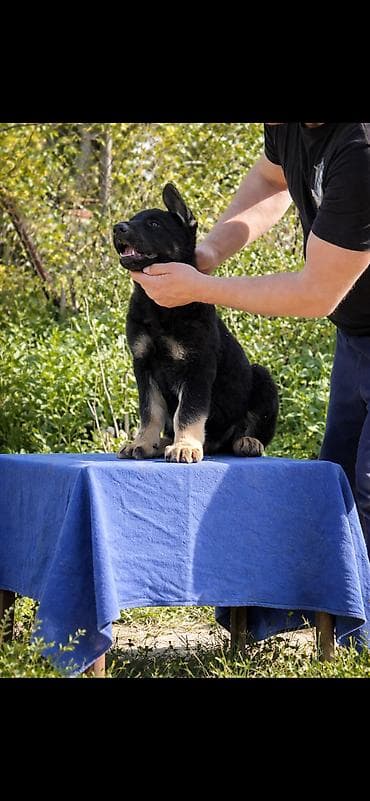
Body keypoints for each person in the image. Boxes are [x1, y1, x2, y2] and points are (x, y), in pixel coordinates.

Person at [131, 123, 370, 555]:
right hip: (356, 335)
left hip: (348, 315)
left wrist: (199, 288)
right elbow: (268, 180)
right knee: (340, 483)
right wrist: (208, 254)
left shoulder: (362, 153)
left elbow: (316, 293)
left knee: (369, 496)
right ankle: (340, 618)